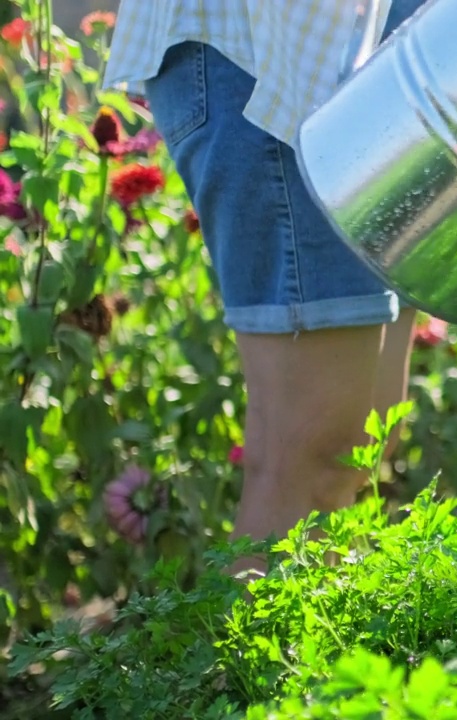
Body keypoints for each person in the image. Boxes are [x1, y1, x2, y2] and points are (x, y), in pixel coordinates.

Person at [102, 1, 427, 575]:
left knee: (364, 445)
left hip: (372, 53)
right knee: (310, 462)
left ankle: (321, 662)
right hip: (273, 53)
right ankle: (249, 666)